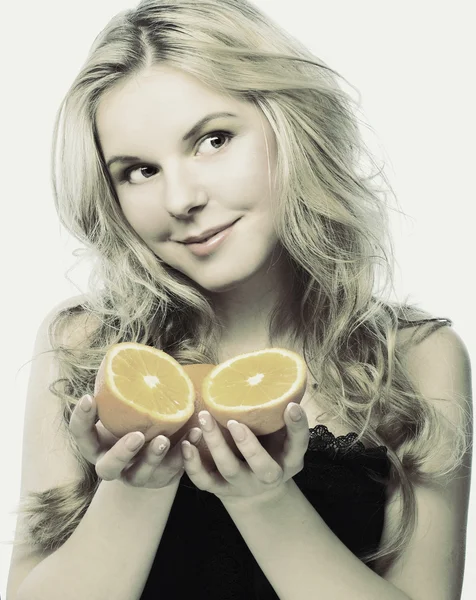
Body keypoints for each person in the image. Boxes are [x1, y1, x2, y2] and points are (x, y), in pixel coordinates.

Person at [6, 1, 472, 599]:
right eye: (139, 171)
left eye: (212, 140)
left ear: (289, 126)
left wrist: (263, 500)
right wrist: (137, 489)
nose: (180, 198)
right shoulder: (84, 348)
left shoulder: (412, 358)